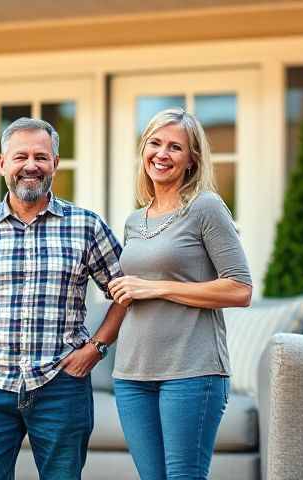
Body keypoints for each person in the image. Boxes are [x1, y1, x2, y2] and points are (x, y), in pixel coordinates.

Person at [0, 117, 128, 480]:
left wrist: (95, 348)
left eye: (41, 157)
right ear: (2, 164)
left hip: (61, 384)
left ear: (55, 164)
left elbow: (123, 291)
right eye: (20, 156)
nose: (31, 165)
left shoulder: (86, 226)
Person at [108, 108, 252, 480]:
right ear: (143, 151)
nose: (162, 154)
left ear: (192, 160)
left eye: (175, 147)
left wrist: (156, 287)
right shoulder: (133, 221)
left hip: (193, 370)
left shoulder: (206, 208)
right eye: (155, 143)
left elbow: (240, 289)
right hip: (132, 374)